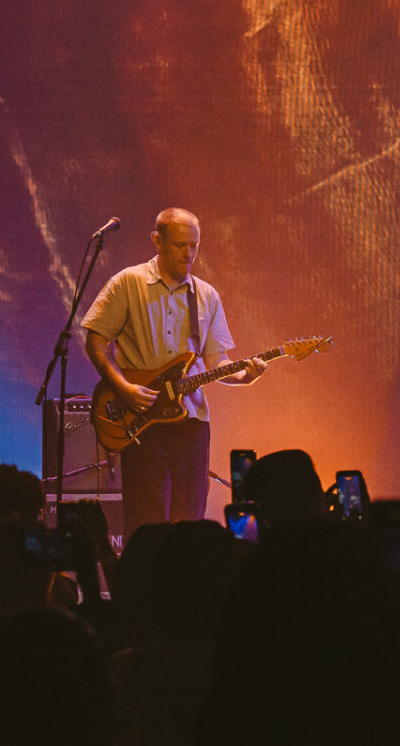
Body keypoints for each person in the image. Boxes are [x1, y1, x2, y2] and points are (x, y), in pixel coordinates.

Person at [81, 208, 265, 534]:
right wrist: (123, 388)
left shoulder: (206, 296)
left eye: (194, 245)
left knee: (190, 525)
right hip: (143, 421)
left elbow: (216, 362)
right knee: (146, 523)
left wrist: (243, 376)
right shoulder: (128, 283)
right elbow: (96, 342)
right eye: (180, 245)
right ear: (157, 241)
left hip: (192, 423)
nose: (189, 253)